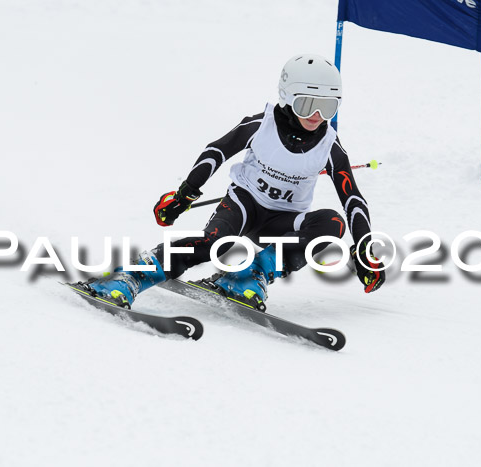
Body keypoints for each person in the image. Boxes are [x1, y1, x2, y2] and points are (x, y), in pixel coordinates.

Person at [81, 53, 385, 310]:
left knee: (331, 223)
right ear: (287, 96)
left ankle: (249, 276)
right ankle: (130, 276)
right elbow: (216, 150)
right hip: (244, 204)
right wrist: (184, 194)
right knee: (213, 244)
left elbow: (353, 200)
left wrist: (364, 248)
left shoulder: (329, 146)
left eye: (328, 106)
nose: (317, 115)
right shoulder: (261, 125)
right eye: (308, 105)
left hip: (283, 222)